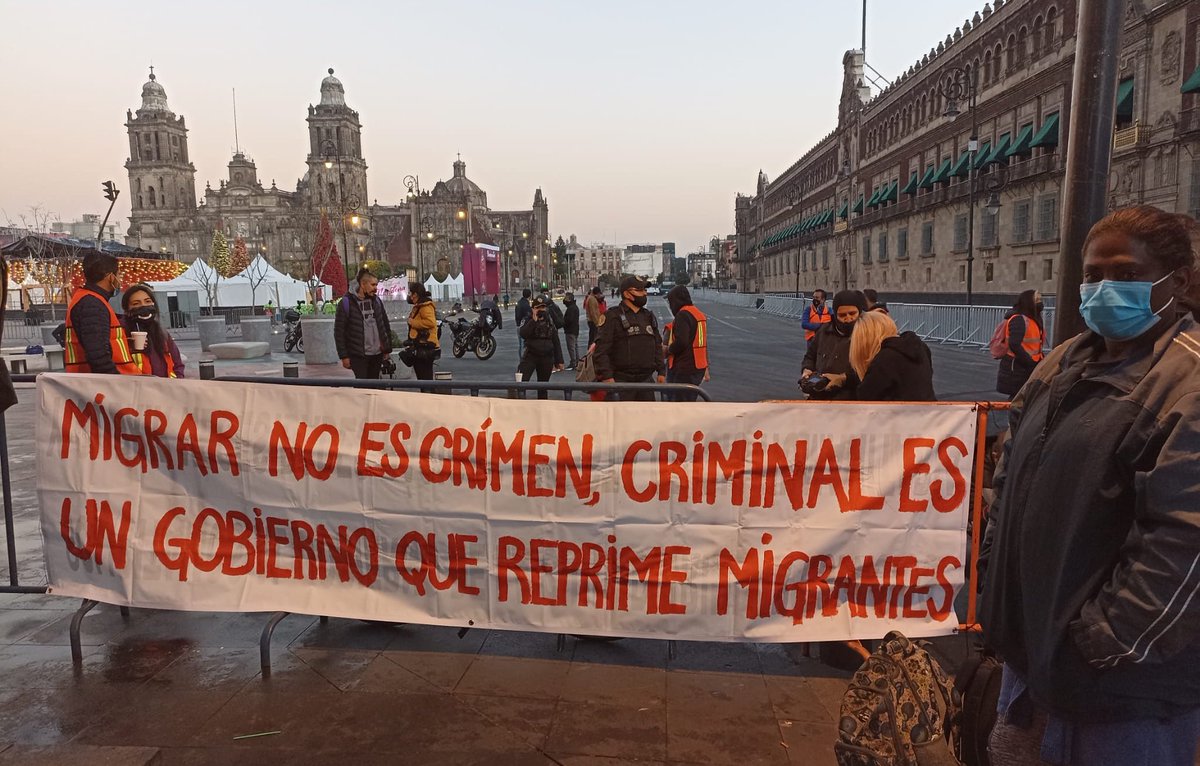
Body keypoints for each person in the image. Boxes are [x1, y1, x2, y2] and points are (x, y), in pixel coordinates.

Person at [980, 207, 1200, 766]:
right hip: (1033, 661)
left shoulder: (1187, 383)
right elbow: (1007, 476)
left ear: (1177, 281)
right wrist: (994, 581)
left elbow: (1182, 545)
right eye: (1093, 275)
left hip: (1120, 694)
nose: (1104, 289)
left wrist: (1099, 644)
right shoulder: (1061, 363)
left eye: (1124, 274)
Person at [63, 252, 143, 375]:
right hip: (107, 386)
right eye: (118, 274)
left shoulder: (87, 299)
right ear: (110, 277)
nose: (120, 279)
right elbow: (98, 355)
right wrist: (114, 382)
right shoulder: (92, 304)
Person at [593, 275, 666, 401]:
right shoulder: (612, 317)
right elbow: (601, 351)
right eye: (639, 290)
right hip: (621, 382)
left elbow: (657, 345)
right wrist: (607, 377)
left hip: (646, 382)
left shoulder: (648, 316)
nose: (644, 293)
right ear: (627, 294)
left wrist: (661, 371)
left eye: (645, 290)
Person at [848, 310, 933, 401]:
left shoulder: (884, 359)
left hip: (899, 414)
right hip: (929, 411)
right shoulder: (920, 348)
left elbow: (865, 396)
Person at [799, 289, 863, 400]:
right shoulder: (823, 331)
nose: (848, 319)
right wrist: (807, 369)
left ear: (860, 312)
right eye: (842, 315)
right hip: (818, 398)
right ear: (835, 314)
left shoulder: (867, 335)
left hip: (850, 402)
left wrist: (843, 379)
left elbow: (871, 372)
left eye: (852, 313)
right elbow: (810, 356)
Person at [334, 268, 394, 380]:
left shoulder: (377, 301)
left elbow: (385, 326)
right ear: (362, 284)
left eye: (376, 285)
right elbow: (339, 332)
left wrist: (387, 349)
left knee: (374, 386)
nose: (376, 288)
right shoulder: (346, 303)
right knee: (362, 387)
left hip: (377, 354)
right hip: (358, 355)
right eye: (373, 285)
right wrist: (344, 356)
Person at [120, 283, 185, 378]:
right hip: (138, 389)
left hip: (167, 388)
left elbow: (177, 364)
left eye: (147, 301)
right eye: (136, 303)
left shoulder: (161, 332)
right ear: (126, 309)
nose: (144, 306)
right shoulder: (120, 330)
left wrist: (178, 381)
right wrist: (129, 346)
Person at [996, 288, 1046, 399]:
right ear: (1029, 302)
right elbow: (1014, 344)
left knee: (1022, 399)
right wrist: (1029, 362)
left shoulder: (1033, 319)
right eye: (1037, 300)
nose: (1040, 303)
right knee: (1018, 399)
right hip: (1018, 368)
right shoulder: (1019, 319)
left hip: (1027, 365)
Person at [664, 285, 709, 401]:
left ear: (676, 300)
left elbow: (682, 342)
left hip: (684, 368)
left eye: (670, 301)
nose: (670, 305)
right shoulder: (698, 314)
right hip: (698, 366)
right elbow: (700, 342)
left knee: (679, 402)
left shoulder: (683, 314)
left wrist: (668, 349)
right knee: (689, 400)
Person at [518, 295, 564, 399]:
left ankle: (541, 408)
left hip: (546, 357)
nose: (541, 310)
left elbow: (556, 341)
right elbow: (523, 333)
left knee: (543, 387)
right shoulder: (528, 320)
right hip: (531, 355)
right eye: (538, 307)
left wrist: (559, 361)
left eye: (543, 307)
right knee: (521, 382)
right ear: (533, 309)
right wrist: (533, 321)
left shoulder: (550, 321)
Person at [405, 282, 439, 381]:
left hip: (425, 346)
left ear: (415, 294)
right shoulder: (420, 305)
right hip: (421, 345)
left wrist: (412, 322)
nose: (410, 296)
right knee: (423, 377)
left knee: (425, 378)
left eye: (411, 293)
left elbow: (430, 322)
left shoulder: (425, 306)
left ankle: (428, 395)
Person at [562, 291, 581, 370]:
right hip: (575, 329)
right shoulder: (574, 307)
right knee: (575, 346)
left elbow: (569, 320)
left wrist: (563, 322)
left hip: (570, 330)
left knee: (571, 347)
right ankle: (577, 361)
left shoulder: (571, 308)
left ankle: (573, 362)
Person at [514, 288, 532, 358]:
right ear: (529, 295)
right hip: (524, 326)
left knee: (521, 344)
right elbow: (528, 315)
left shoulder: (519, 303)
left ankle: (522, 360)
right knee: (523, 344)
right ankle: (523, 361)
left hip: (518, 325)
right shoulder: (526, 305)